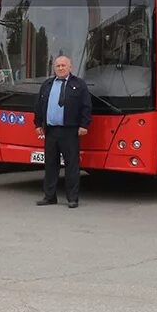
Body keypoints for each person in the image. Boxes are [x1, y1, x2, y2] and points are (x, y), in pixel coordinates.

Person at [33, 55, 92, 208]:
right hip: (51, 131)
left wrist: (84, 125)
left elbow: (86, 106)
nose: (60, 68)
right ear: (54, 68)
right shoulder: (47, 84)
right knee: (50, 164)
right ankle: (49, 196)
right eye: (57, 66)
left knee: (71, 165)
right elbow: (39, 105)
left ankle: (72, 198)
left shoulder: (79, 85)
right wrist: (37, 123)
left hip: (70, 131)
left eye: (63, 66)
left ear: (70, 68)